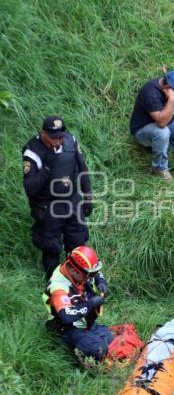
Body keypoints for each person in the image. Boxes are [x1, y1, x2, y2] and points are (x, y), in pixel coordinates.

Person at [22, 116, 93, 279]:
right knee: (51, 247)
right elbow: (30, 188)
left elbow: (82, 168)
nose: (58, 142)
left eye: (61, 137)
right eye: (54, 138)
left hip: (72, 201)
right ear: (43, 133)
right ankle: (53, 284)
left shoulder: (71, 141)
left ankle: (77, 282)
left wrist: (88, 196)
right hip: (49, 206)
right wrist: (47, 166)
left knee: (77, 242)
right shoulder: (32, 152)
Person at [43, 245, 112, 361]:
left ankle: (88, 338)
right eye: (89, 275)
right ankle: (66, 347)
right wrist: (91, 304)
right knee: (99, 349)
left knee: (110, 337)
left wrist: (101, 282)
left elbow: (96, 273)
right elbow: (66, 316)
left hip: (82, 323)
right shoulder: (59, 287)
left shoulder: (81, 271)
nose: (91, 277)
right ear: (74, 271)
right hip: (66, 328)